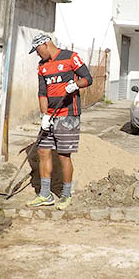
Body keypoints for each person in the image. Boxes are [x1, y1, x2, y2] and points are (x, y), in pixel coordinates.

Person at [25, 34, 93, 210]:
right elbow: (42, 93)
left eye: (38, 51)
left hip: (68, 115)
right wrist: (44, 116)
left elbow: (88, 78)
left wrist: (77, 85)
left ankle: (66, 194)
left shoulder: (71, 57)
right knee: (43, 151)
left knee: (63, 155)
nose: (38, 55)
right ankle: (45, 195)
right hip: (51, 115)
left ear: (46, 44)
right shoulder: (42, 66)